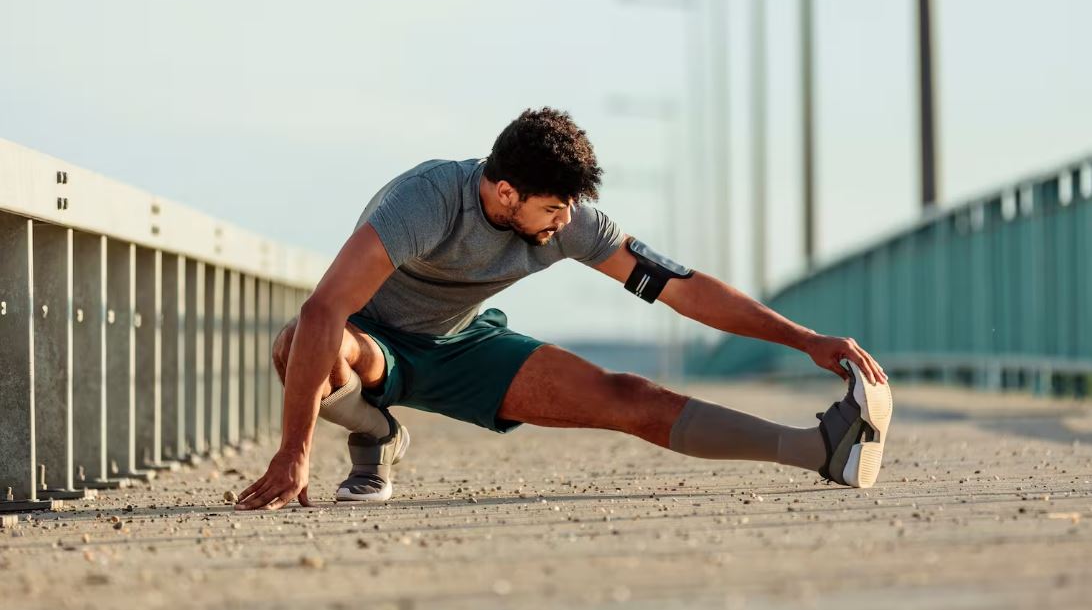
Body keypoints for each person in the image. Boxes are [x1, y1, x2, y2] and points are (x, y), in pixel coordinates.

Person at [235, 107, 893, 511]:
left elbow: (684, 288)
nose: (564, 222)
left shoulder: (569, 220)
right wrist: (294, 453)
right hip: (373, 341)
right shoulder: (425, 201)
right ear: (505, 192)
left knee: (629, 395)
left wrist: (805, 338)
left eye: (571, 206)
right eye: (552, 208)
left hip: (463, 344)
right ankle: (376, 435)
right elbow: (324, 310)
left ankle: (818, 449)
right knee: (300, 343)